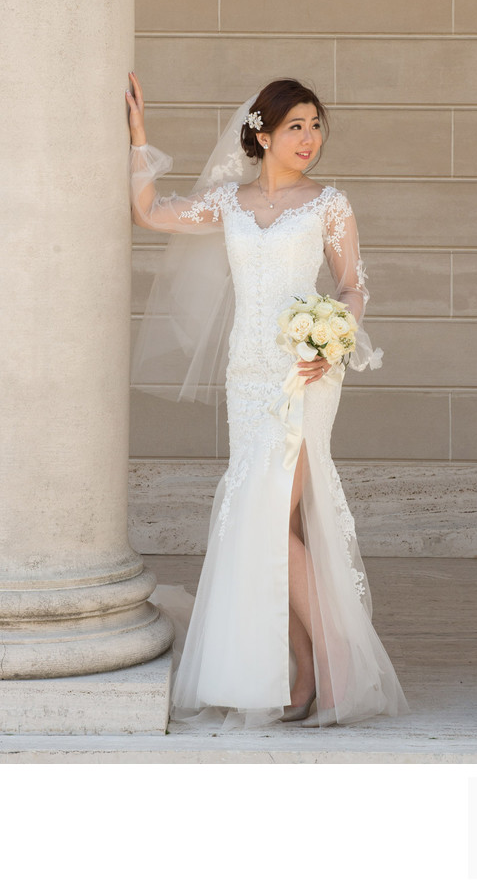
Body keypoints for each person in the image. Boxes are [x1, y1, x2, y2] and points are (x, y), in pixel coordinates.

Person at [126, 71, 410, 729]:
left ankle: (336, 661)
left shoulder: (329, 204)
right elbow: (149, 211)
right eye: (295, 126)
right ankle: (308, 672)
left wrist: (330, 341)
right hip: (245, 376)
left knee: (259, 519)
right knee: (268, 527)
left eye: (315, 125)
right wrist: (139, 138)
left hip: (303, 376)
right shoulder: (228, 201)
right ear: (262, 134)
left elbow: (351, 286)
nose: (310, 137)